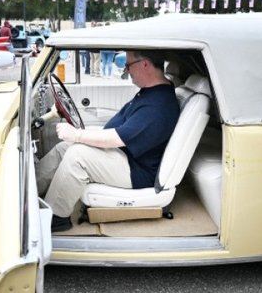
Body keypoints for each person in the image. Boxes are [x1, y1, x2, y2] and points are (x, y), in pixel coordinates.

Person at [36, 50, 182, 231]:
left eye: (128, 65)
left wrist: (78, 135)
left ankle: (56, 217)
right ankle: (30, 191)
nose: (126, 71)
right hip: (126, 157)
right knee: (66, 147)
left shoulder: (158, 106)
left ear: (145, 64)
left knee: (77, 156)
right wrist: (77, 137)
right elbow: (123, 131)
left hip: (137, 171)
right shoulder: (150, 92)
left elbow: (118, 138)